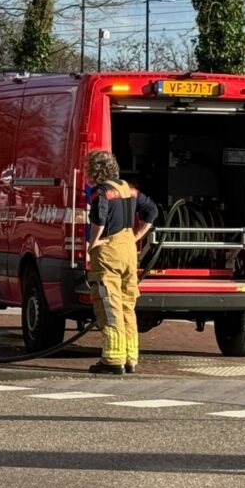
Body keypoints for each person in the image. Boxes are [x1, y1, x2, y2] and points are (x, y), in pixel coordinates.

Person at [86, 149, 158, 376]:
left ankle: (113, 359)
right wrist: (138, 236)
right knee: (127, 305)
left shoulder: (101, 192)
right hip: (128, 249)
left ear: (95, 171)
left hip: (109, 252)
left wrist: (93, 243)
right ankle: (130, 357)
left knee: (109, 305)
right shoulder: (129, 189)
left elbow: (99, 217)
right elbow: (152, 211)